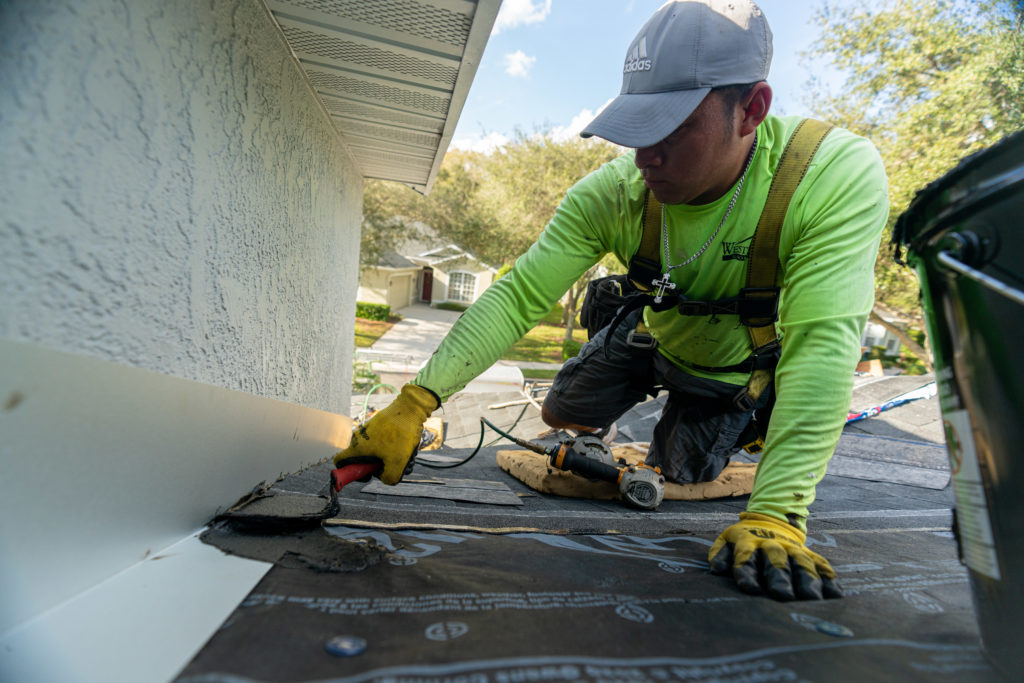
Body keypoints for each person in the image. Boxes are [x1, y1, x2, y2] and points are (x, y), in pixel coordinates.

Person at [335, 0, 888, 602]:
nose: (644, 156)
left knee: (681, 472)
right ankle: (630, 400)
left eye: (671, 128)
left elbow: (822, 347)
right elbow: (520, 296)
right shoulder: (614, 194)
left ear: (751, 109)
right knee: (559, 412)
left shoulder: (828, 176)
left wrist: (778, 512)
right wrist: (416, 402)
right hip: (650, 337)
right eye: (635, 129)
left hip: (729, 371)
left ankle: (735, 430)